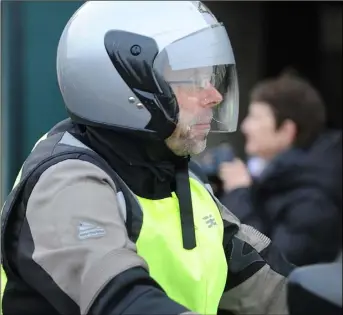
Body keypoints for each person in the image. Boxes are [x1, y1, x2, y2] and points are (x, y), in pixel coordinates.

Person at [1, 2, 293, 315]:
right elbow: (122, 300)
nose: (214, 95)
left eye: (210, 77)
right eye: (192, 79)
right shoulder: (66, 181)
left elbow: (271, 285)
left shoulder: (184, 180)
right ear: (127, 86)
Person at [219, 71, 342, 266]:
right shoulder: (278, 177)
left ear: (286, 130)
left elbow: (272, 267)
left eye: (256, 118)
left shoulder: (314, 200)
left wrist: (238, 193)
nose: (245, 126)